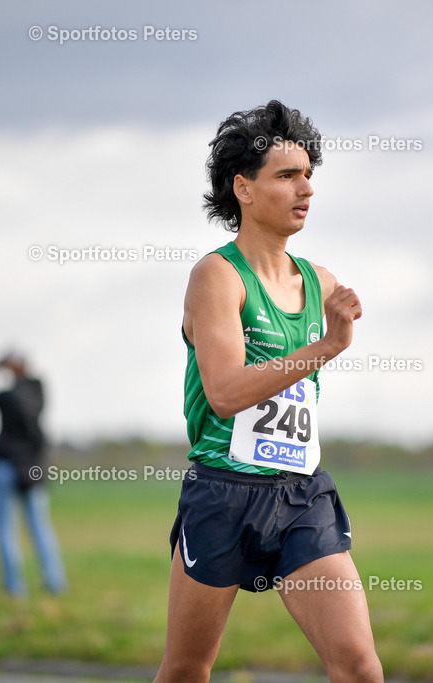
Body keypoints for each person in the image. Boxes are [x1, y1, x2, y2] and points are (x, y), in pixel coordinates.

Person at [155, 101, 383, 682]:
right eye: (286, 175)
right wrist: (325, 347)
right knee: (186, 671)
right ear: (244, 188)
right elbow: (227, 392)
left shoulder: (321, 282)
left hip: (301, 496)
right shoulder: (217, 276)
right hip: (223, 493)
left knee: (359, 666)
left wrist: (328, 336)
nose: (305, 188)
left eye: (309, 175)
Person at [0, 350, 66, 597]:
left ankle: (21, 586)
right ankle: (49, 582)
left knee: (11, 528)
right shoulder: (35, 390)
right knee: (35, 526)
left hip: (11, 466)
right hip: (29, 467)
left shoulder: (14, 394)